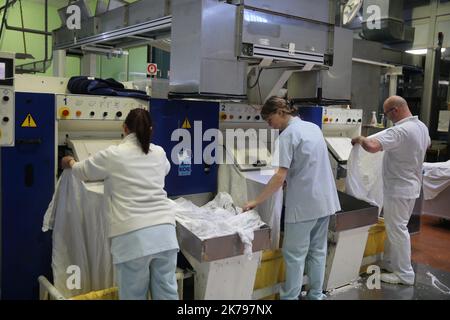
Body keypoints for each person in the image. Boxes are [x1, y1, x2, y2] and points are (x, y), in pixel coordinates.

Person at [61, 108, 179, 300]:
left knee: (133, 295)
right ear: (151, 129)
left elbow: (83, 172)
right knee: (167, 293)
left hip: (133, 238)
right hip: (165, 235)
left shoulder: (113, 155)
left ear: (124, 128)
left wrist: (70, 161)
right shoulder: (159, 152)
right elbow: (165, 169)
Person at [243, 96, 341, 300]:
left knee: (294, 255)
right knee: (318, 250)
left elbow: (279, 176)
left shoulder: (287, 136)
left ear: (280, 112)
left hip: (304, 206)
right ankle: (315, 294)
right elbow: (308, 164)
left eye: (270, 121)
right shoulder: (313, 128)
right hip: (325, 202)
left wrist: (256, 201)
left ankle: (290, 297)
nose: (271, 126)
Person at [351, 95, 430, 285]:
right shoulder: (421, 127)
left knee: (398, 229)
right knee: (395, 227)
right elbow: (425, 145)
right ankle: (391, 263)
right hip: (411, 187)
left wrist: (360, 138)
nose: (387, 117)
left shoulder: (400, 131)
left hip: (398, 189)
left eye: (386, 114)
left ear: (395, 110)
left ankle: (404, 274)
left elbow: (372, 146)